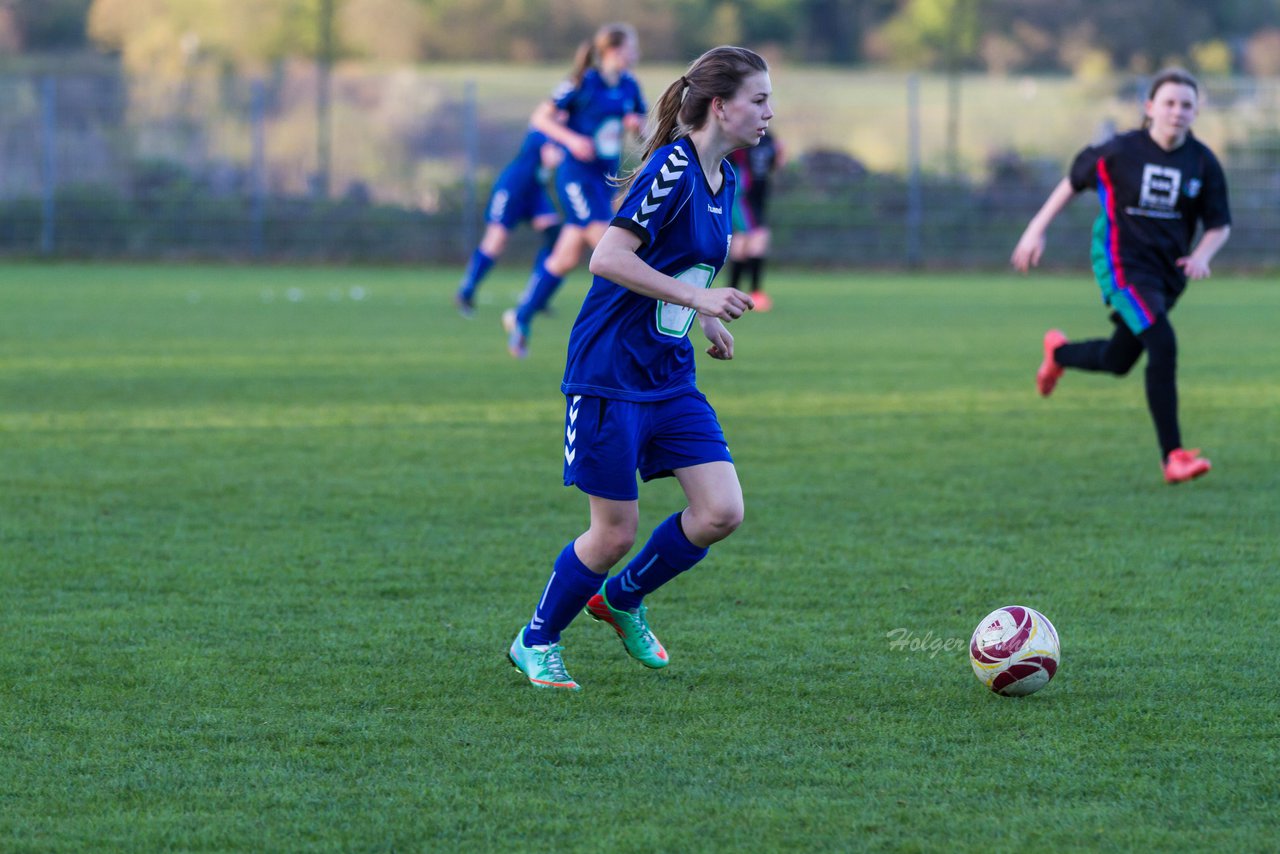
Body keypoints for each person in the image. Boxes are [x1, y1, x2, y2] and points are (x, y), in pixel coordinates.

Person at [507, 46, 772, 690]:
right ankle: (536, 639)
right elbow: (607, 258)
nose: (769, 114)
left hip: (668, 374)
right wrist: (699, 298)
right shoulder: (670, 169)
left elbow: (687, 263)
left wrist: (706, 317)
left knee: (720, 512)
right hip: (608, 374)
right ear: (720, 106)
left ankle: (621, 598)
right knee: (614, 530)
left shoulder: (724, 176)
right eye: (759, 100)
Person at [1011, 68, 1232, 485]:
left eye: (1186, 104)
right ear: (1149, 108)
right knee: (1162, 343)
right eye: (1168, 103)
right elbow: (1072, 183)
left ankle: (1057, 354)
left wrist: (1202, 255)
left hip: (1167, 274)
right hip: (1121, 265)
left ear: (1196, 111)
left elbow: (1220, 225)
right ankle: (1174, 457)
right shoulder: (1119, 152)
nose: (1177, 111)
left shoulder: (1203, 163)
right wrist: (1034, 230)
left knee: (1119, 360)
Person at [501, 22, 647, 359]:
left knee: (565, 258)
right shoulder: (582, 82)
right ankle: (623, 335)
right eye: (632, 46)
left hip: (604, 182)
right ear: (613, 50)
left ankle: (520, 318)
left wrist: (637, 128)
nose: (637, 53)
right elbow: (540, 118)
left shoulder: (630, 85)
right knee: (615, 252)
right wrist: (571, 140)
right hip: (576, 179)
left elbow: (641, 135)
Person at [454, 130, 563, 317]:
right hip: (511, 190)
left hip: (534, 193)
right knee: (495, 242)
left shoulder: (571, 127)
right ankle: (466, 291)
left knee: (556, 236)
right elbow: (550, 158)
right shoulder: (544, 130)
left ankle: (537, 296)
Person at [727, 129, 785, 311]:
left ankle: (733, 293)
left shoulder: (769, 139)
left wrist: (780, 152)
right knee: (758, 237)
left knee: (743, 241)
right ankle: (754, 293)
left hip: (758, 198)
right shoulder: (739, 136)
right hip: (743, 198)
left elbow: (774, 165)